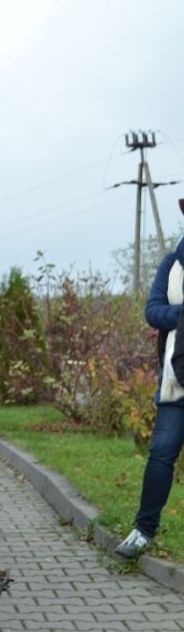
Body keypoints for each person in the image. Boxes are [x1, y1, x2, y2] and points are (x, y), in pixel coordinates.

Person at [116, 210, 184, 559]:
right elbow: (153, 311)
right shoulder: (172, 265)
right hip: (177, 382)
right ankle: (143, 531)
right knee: (160, 455)